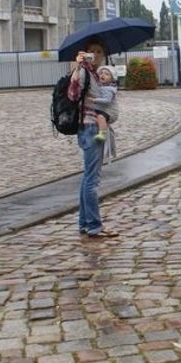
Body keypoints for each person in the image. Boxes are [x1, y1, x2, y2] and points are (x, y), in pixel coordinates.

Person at [68, 50, 115, 238]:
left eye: (99, 53)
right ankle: (94, 225)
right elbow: (74, 96)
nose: (97, 56)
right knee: (92, 180)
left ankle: (84, 223)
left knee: (87, 177)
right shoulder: (84, 73)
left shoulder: (89, 74)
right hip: (91, 128)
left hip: (86, 127)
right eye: (94, 53)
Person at [90, 65, 119, 143]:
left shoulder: (109, 89)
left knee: (100, 117)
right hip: (103, 110)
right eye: (101, 73)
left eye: (106, 74)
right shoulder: (100, 86)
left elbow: (107, 100)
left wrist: (93, 100)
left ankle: (103, 134)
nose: (102, 75)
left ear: (112, 79)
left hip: (110, 112)